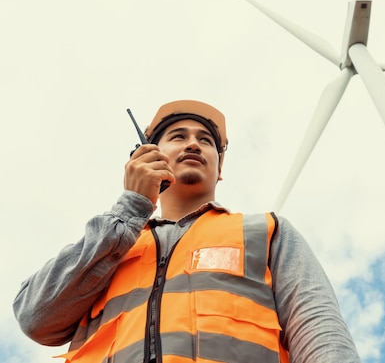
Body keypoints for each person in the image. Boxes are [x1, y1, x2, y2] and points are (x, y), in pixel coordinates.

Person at [14, 100, 362, 363]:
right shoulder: (109, 247)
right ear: (147, 154)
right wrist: (131, 207)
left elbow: (321, 334)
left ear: (220, 169)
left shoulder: (266, 232)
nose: (193, 145)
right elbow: (35, 317)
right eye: (178, 136)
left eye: (205, 141)